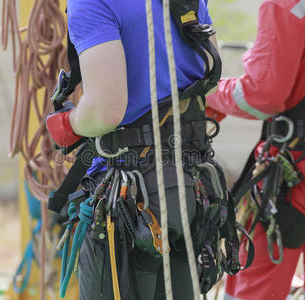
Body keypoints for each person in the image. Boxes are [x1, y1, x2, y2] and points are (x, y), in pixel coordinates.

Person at [45, 0, 244, 299]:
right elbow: (209, 77)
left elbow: (106, 109)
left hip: (132, 198)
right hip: (192, 187)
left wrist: (70, 121)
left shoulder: (91, 2)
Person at [206, 0, 305, 299]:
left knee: (253, 285)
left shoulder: (284, 4)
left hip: (296, 175)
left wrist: (210, 94)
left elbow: (262, 96)